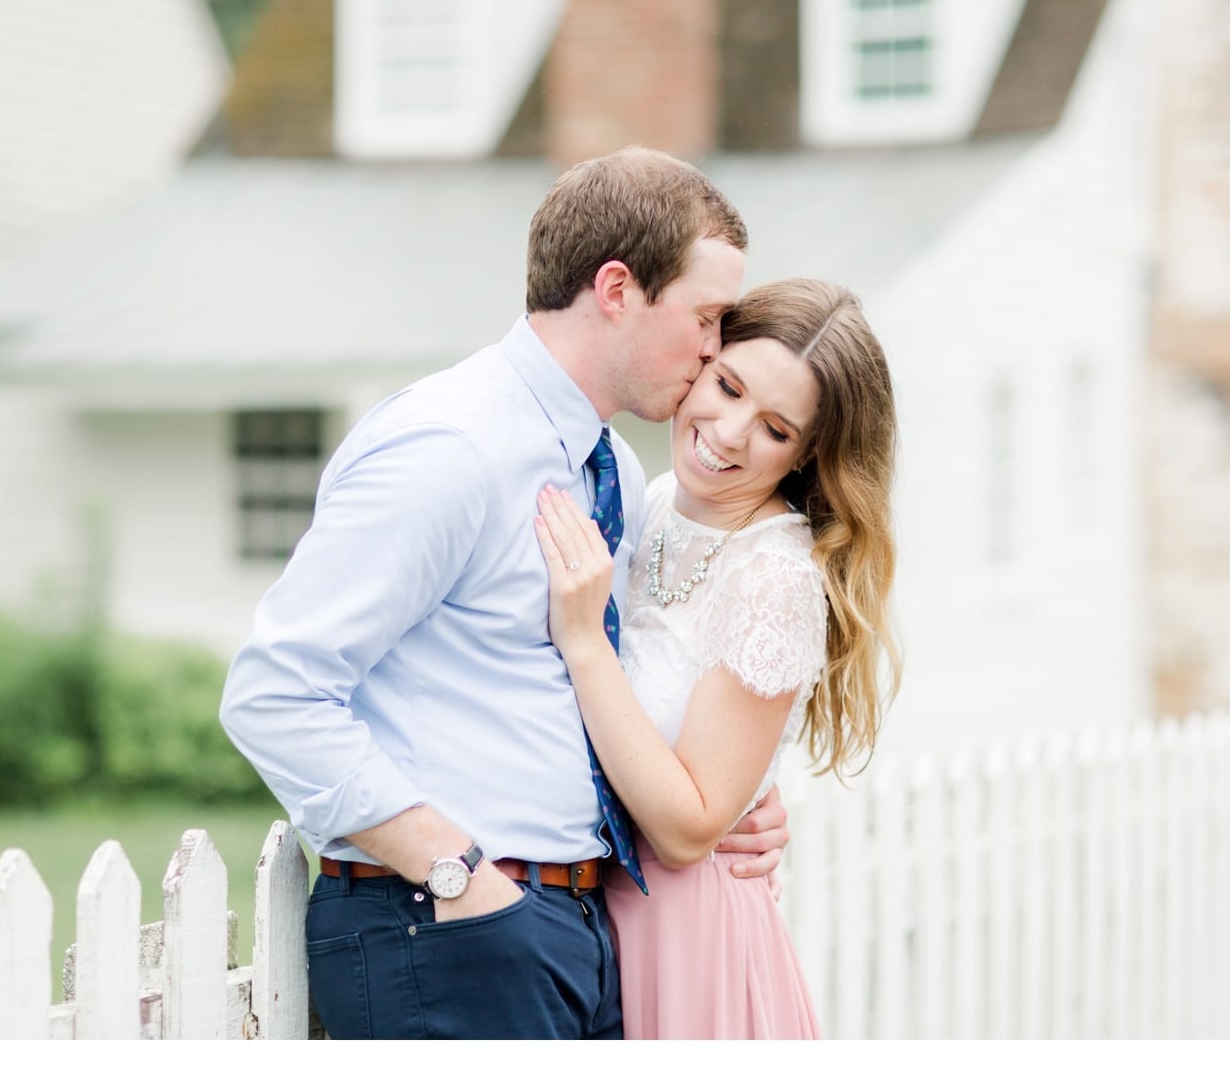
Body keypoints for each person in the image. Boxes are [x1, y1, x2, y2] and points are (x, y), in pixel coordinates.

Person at [218, 147, 792, 1040]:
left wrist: (726, 802)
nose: (717, 347)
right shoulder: (450, 446)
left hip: (573, 926)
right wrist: (459, 878)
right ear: (616, 289)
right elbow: (275, 693)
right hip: (447, 930)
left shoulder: (608, 469)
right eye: (708, 317)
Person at [532, 277, 902, 1039]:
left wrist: (583, 642)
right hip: (590, 924)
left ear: (807, 456)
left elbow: (687, 827)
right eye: (727, 385)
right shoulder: (654, 499)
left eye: (774, 428)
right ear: (701, 358)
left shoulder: (776, 577)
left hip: (689, 941)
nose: (729, 432)